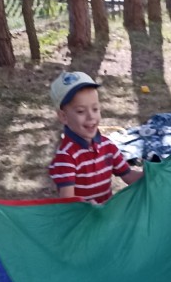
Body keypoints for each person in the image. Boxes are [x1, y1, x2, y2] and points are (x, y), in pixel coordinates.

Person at [48, 71, 143, 204]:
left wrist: (150, 175)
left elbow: (129, 176)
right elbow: (67, 202)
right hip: (83, 216)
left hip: (106, 213)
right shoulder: (66, 157)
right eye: (81, 111)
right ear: (64, 116)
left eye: (95, 109)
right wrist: (86, 207)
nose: (91, 116)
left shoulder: (108, 146)